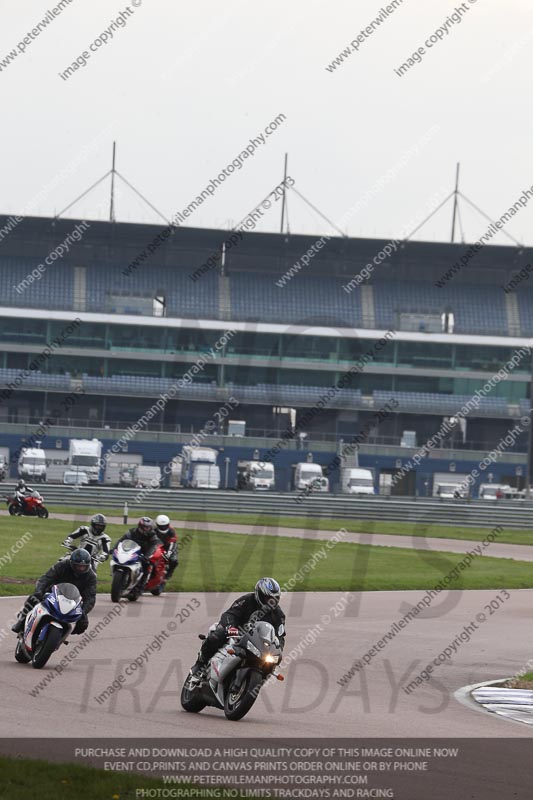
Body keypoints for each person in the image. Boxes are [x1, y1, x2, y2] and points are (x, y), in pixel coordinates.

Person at [190, 577, 285, 676]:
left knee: (269, 665)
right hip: (236, 634)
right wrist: (230, 627)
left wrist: (278, 650)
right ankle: (200, 663)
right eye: (267, 598)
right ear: (259, 594)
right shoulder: (246, 600)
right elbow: (230, 614)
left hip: (256, 643)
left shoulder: (278, 615)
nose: (270, 602)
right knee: (217, 635)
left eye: (274, 599)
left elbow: (280, 636)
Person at [11, 549, 96, 634]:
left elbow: (91, 597)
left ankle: (63, 635)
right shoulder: (62, 565)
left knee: (83, 623)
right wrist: (39, 591)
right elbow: (46, 578)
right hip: (53, 593)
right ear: (72, 563)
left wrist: (83, 611)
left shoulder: (91, 576)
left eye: (83, 566)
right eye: (78, 566)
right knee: (34, 598)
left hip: (73, 600)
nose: (81, 568)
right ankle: (21, 621)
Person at [113, 517, 162, 599]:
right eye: (146, 527)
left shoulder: (152, 535)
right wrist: (114, 548)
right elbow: (121, 540)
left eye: (149, 527)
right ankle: (120, 581)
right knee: (121, 560)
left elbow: (154, 545)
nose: (147, 529)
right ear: (140, 526)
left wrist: (147, 556)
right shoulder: (132, 532)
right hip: (132, 551)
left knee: (146, 567)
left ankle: (139, 588)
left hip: (145, 554)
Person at [154, 514, 178, 590]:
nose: (163, 527)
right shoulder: (153, 530)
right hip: (157, 546)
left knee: (174, 560)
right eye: (161, 526)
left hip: (169, 547)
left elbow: (172, 544)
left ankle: (167, 576)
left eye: (165, 525)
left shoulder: (172, 531)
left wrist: (168, 554)